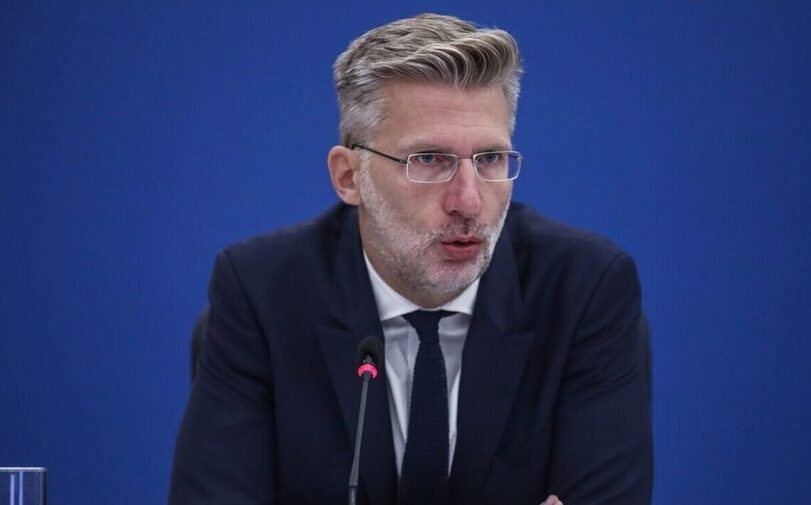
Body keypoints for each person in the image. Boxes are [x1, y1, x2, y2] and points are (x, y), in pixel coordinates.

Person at [169, 13, 652, 505]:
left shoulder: (584, 290)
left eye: (490, 158)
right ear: (349, 177)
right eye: (429, 160)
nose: (468, 201)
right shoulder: (261, 296)